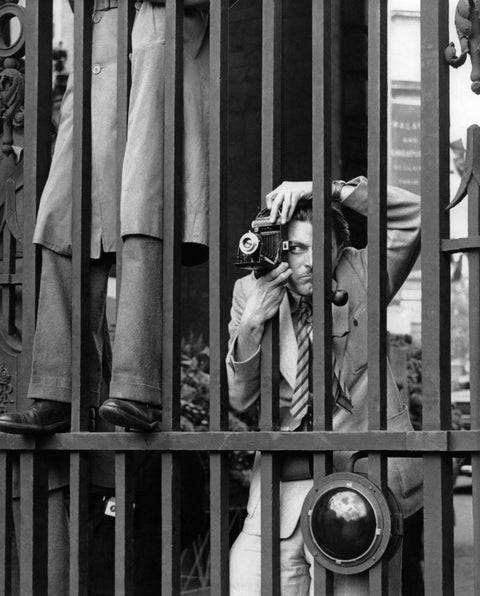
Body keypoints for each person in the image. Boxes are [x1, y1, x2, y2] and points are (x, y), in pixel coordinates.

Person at [0, 0, 210, 435]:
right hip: (99, 46)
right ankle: (57, 393)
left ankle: (137, 389)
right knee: (65, 215)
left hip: (157, 34)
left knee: (143, 207)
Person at [226, 177, 423, 595]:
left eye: (319, 247)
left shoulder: (361, 271)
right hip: (281, 489)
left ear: (337, 248)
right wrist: (251, 325)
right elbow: (240, 400)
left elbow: (415, 217)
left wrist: (325, 188)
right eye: (296, 248)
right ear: (278, 249)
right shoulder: (250, 290)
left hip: (361, 486)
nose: (308, 262)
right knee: (246, 581)